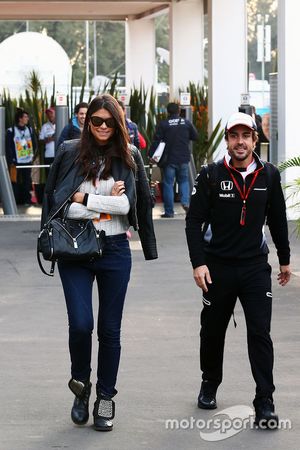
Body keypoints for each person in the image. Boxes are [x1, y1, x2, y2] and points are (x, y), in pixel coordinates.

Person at [41, 94, 158, 431]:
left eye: (110, 121)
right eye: (97, 121)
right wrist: (104, 201)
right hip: (75, 248)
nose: (103, 127)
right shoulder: (68, 153)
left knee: (109, 330)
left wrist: (86, 198)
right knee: (80, 325)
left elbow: (127, 208)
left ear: (119, 123)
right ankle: (81, 386)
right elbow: (62, 206)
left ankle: (105, 397)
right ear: (87, 121)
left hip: (115, 250)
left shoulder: (130, 155)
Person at [185, 112, 291, 429]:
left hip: (255, 268)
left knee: (260, 333)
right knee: (212, 331)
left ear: (255, 140)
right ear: (227, 140)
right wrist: (198, 263)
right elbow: (193, 222)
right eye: (234, 136)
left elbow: (278, 221)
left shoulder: (269, 176)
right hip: (217, 268)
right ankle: (209, 382)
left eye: (246, 136)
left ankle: (265, 401)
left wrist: (284, 259)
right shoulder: (211, 175)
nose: (240, 142)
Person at [149, 102, 198, 218]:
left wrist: (151, 154)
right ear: (179, 110)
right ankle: (185, 203)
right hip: (183, 158)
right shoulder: (186, 123)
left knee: (168, 184)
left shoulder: (164, 124)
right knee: (184, 181)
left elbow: (156, 141)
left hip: (169, 159)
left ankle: (169, 212)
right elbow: (195, 136)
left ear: (168, 111)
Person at [5, 108, 37, 205]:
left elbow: (34, 143)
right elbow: (8, 146)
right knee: (15, 181)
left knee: (27, 181)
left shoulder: (30, 129)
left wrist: (32, 156)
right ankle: (15, 201)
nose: (27, 119)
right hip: (16, 162)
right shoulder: (11, 131)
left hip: (27, 160)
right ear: (20, 119)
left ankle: (26, 200)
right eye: (25, 117)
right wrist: (11, 160)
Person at [39, 107, 56, 175]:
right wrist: (49, 139)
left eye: (51, 113)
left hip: (59, 154)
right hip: (49, 155)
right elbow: (40, 141)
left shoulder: (62, 123)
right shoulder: (45, 126)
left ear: (55, 113)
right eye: (48, 113)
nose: (49, 115)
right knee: (49, 175)